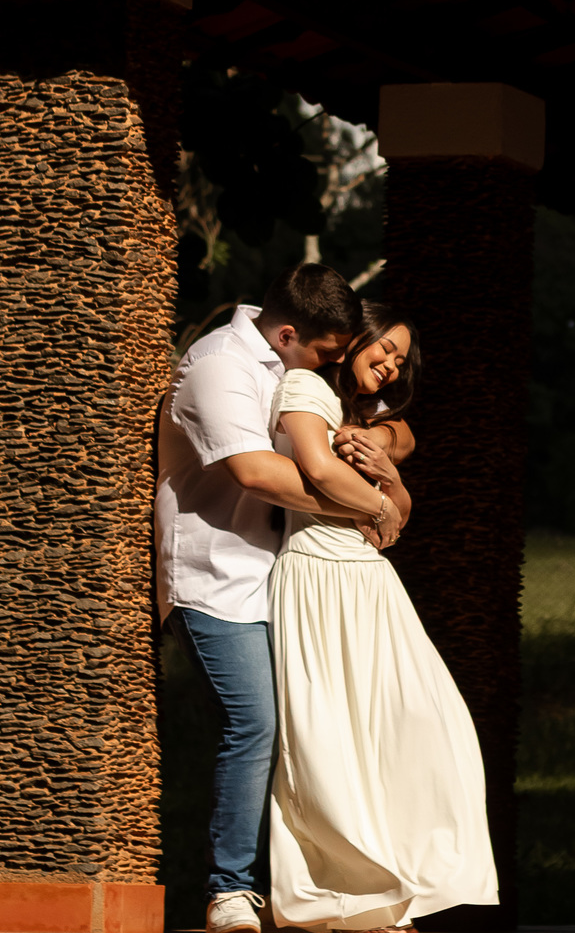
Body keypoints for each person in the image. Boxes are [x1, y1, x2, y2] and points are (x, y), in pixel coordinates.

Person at [155, 265, 406, 933]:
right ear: (291, 332)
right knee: (255, 723)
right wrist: (368, 507)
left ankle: (319, 887)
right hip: (216, 578)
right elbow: (257, 473)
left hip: (281, 580)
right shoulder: (219, 366)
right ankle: (229, 891)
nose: (339, 363)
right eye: (330, 352)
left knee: (311, 730)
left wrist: (379, 442)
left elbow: (388, 425)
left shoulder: (292, 367)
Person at [269, 303, 498, 932]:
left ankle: (416, 879)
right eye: (385, 348)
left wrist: (391, 486)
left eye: (401, 358)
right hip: (315, 574)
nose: (393, 364)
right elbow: (321, 473)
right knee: (326, 737)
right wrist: (382, 503)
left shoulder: (381, 424)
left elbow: (396, 508)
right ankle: (350, 893)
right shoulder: (305, 391)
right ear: (353, 341)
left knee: (426, 722)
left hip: (372, 582)